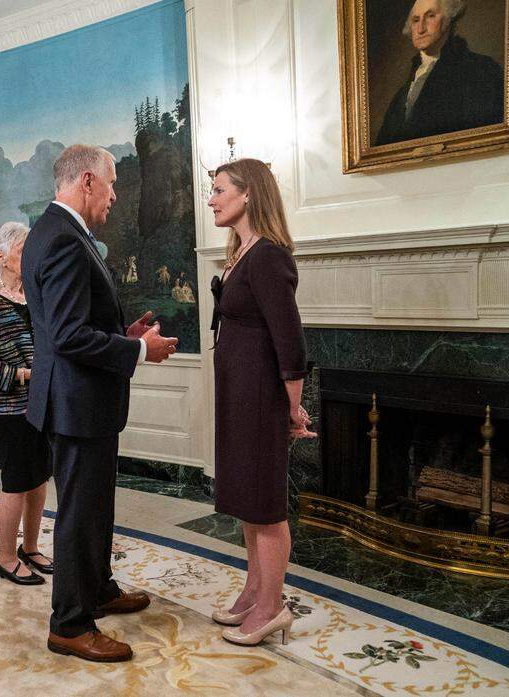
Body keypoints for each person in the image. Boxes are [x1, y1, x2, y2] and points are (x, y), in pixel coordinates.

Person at [21, 145, 178, 663]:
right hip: (76, 403)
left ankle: (97, 589)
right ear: (87, 181)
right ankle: (69, 623)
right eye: (111, 184)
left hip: (77, 400)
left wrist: (121, 332)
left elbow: (73, 324)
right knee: (79, 516)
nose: (115, 195)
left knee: (92, 508)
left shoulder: (53, 230)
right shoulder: (64, 239)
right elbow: (67, 335)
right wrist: (138, 349)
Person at [207, 158, 315, 647]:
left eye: (219, 189)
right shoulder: (242, 252)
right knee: (249, 500)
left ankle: (273, 607)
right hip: (238, 393)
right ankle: (255, 590)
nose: (211, 198)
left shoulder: (269, 255)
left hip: (260, 396)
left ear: (248, 194)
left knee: (267, 505)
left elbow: (289, 340)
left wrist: (292, 407)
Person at [0, 222, 51, 587]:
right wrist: (28, 374)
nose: (30, 257)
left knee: (39, 479)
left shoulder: (36, 294)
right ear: (1, 257)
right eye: (22, 251)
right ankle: (5, 556)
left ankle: (30, 548)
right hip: (9, 409)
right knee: (16, 482)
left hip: (42, 404)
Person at [375, 0, 503, 145]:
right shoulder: (401, 95)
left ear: (449, 19)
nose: (420, 28)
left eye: (430, 16)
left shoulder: (481, 70)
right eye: (415, 20)